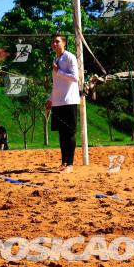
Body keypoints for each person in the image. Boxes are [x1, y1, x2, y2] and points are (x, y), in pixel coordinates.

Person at [46, 33, 80, 173]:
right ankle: (64, 163)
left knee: (69, 133)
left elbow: (75, 78)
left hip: (69, 101)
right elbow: (57, 84)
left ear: (64, 43)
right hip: (58, 102)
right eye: (53, 42)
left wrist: (58, 71)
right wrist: (50, 98)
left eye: (57, 42)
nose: (54, 44)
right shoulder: (56, 58)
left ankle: (70, 164)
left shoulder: (70, 57)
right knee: (62, 134)